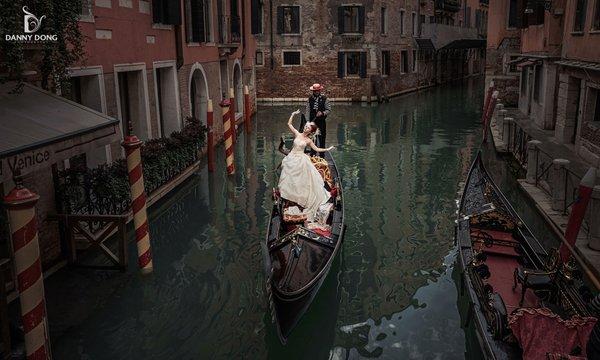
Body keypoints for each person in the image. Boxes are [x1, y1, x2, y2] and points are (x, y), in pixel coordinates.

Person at [279, 109, 334, 220]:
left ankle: (299, 199)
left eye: (308, 127)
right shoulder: (297, 134)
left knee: (301, 180)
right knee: (289, 178)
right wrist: (292, 114)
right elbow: (289, 124)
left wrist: (328, 148)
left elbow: (317, 149)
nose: (305, 127)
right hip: (291, 158)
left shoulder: (309, 141)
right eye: (306, 126)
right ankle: (290, 197)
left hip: (301, 159)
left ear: (310, 131)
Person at [304, 83, 331, 147]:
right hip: (312, 122)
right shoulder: (309, 99)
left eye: (318, 90)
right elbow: (307, 111)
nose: (316, 92)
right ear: (313, 91)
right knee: (312, 139)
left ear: (320, 90)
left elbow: (328, 110)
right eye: (315, 91)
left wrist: (322, 113)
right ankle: (313, 153)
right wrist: (307, 121)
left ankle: (322, 153)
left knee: (322, 138)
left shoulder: (325, 99)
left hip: (321, 122)